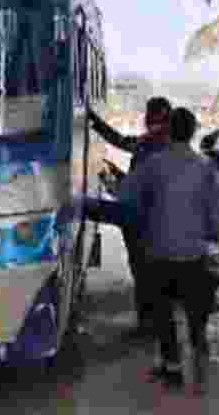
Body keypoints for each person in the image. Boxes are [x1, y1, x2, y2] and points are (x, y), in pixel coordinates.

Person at [117, 107, 219, 395]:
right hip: (195, 255)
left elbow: (128, 197)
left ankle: (172, 367)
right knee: (196, 314)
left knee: (163, 313)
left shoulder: (153, 166)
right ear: (192, 133)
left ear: (169, 131)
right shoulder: (207, 169)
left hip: (159, 254)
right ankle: (198, 363)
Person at [87, 96, 172, 335]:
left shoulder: (163, 148)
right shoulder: (148, 143)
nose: (150, 122)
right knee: (142, 271)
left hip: (147, 219)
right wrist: (93, 121)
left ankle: (152, 324)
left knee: (147, 273)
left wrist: (116, 179)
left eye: (155, 118)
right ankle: (148, 322)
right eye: (151, 118)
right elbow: (120, 141)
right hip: (141, 217)